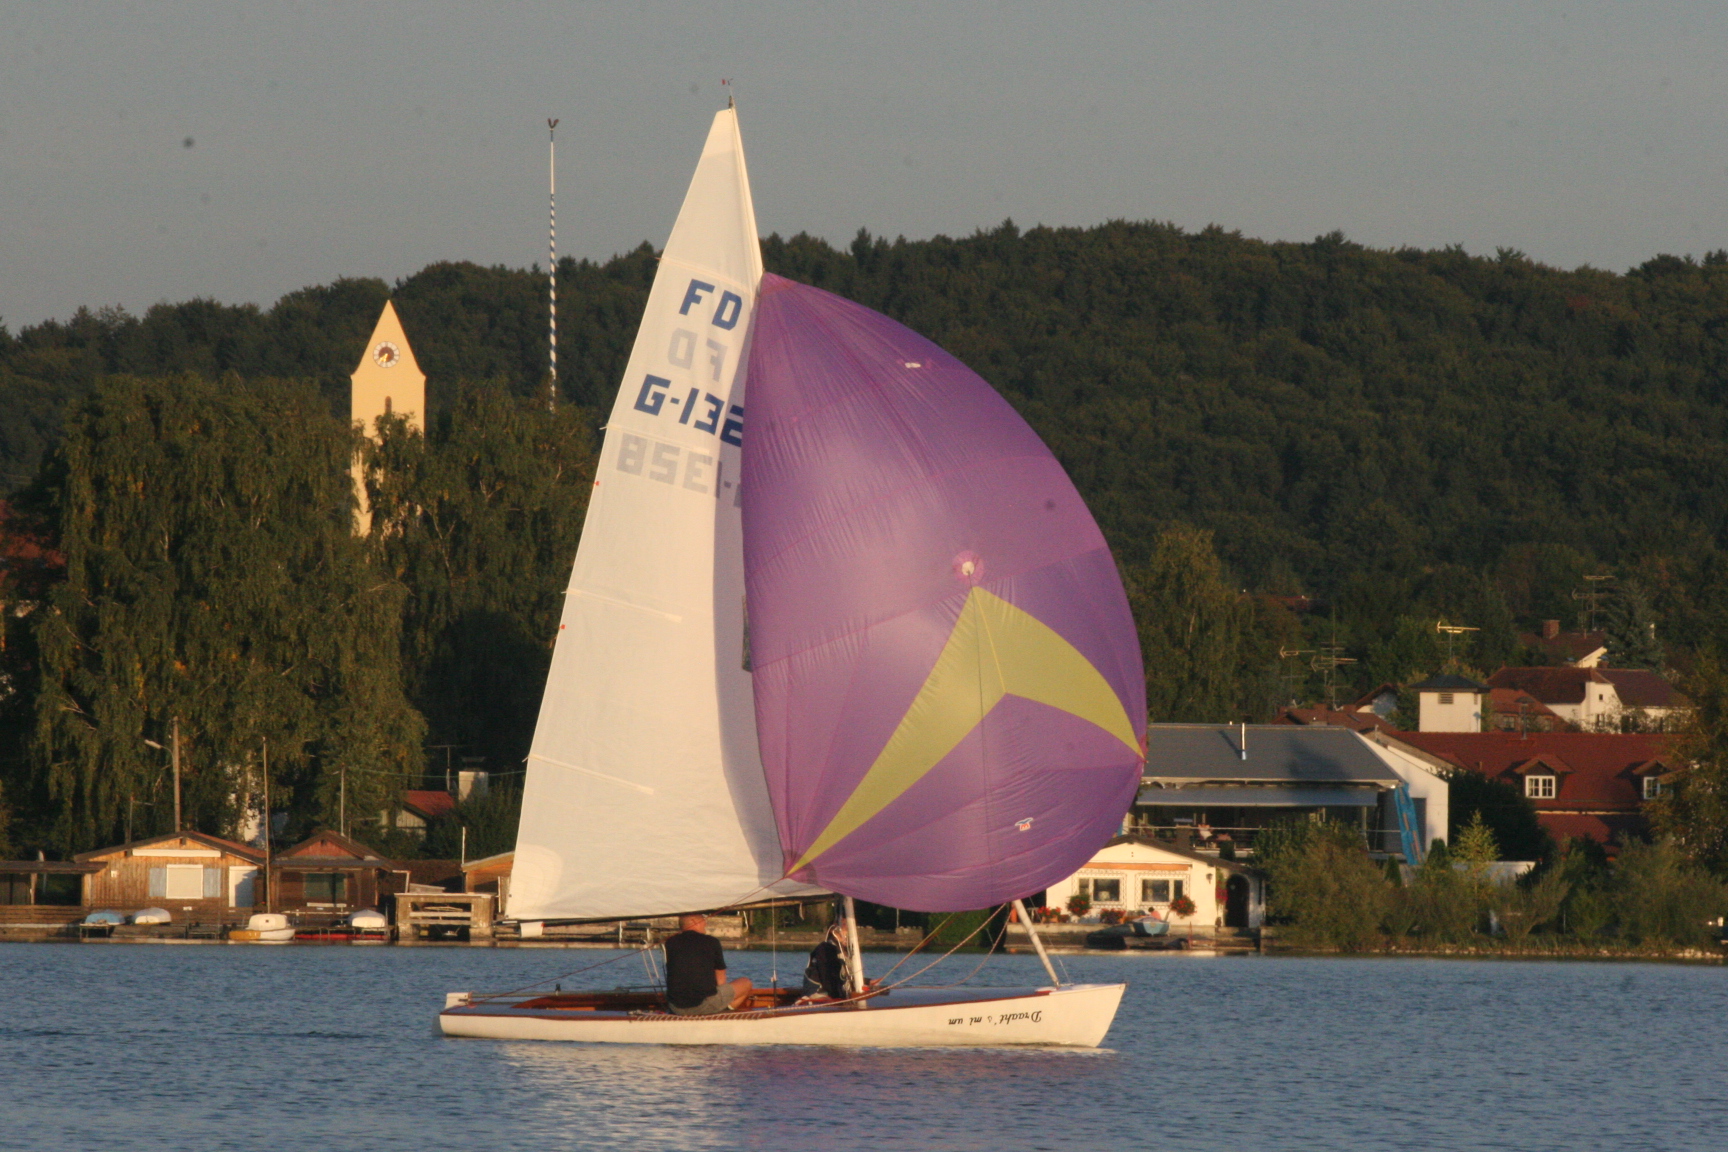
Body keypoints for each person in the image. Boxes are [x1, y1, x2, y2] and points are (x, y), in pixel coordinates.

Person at [662, 912, 753, 1015]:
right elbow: (721, 979)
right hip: (701, 1006)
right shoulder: (711, 942)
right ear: (693, 921)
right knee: (746, 983)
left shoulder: (670, 943)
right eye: (703, 919)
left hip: (675, 1007)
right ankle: (722, 1013)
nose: (705, 923)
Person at [801, 921, 851, 1000]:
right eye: (845, 926)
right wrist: (839, 997)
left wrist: (867, 981)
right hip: (819, 993)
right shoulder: (825, 949)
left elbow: (847, 975)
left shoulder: (844, 950)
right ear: (834, 929)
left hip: (835, 991)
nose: (848, 929)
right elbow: (827, 977)